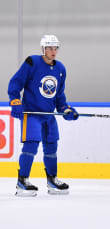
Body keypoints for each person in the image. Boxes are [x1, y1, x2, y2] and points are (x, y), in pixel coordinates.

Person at [8, 35, 79, 197]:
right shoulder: (31, 62)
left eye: (55, 48)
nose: (53, 51)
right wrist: (15, 101)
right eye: (50, 48)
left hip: (49, 115)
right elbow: (15, 83)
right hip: (32, 113)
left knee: (52, 146)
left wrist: (66, 109)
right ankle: (22, 180)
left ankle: (52, 179)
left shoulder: (60, 69)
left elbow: (59, 95)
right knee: (31, 145)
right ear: (43, 49)